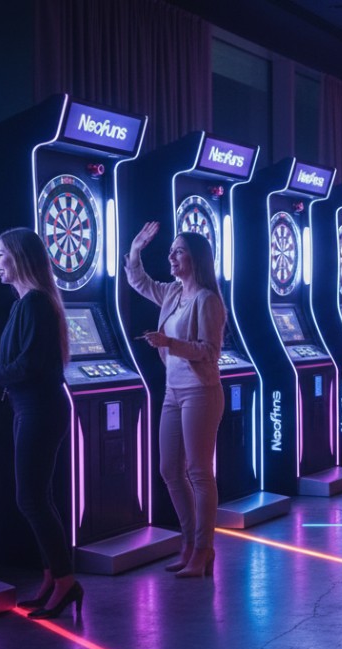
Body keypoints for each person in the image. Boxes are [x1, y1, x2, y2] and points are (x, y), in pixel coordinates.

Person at [0, 228, 81, 619]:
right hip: (34, 409)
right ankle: (52, 579)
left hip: (39, 410)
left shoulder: (35, 303)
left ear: (20, 258)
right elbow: (17, 355)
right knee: (38, 499)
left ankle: (66, 582)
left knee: (33, 500)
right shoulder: (30, 303)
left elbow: (29, 366)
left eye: (2, 254)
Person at [125, 222, 225, 578]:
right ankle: (187, 542)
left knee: (198, 472)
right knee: (169, 469)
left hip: (201, 390)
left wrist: (169, 343)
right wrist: (136, 250)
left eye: (178, 250)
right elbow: (140, 282)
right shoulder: (171, 293)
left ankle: (203, 549)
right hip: (172, 391)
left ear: (195, 258)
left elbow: (209, 352)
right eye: (170, 251)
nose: (170, 256)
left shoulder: (207, 300)